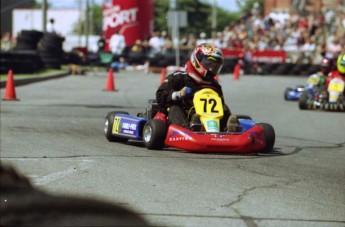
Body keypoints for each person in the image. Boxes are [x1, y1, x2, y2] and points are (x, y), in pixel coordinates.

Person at [156, 42, 240, 132]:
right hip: (184, 116)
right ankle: (189, 130)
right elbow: (160, 96)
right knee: (174, 108)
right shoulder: (179, 77)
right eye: (209, 64)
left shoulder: (215, 85)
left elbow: (220, 105)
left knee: (224, 108)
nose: (212, 69)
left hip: (208, 118)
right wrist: (179, 94)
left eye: (215, 66)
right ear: (197, 60)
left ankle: (229, 130)